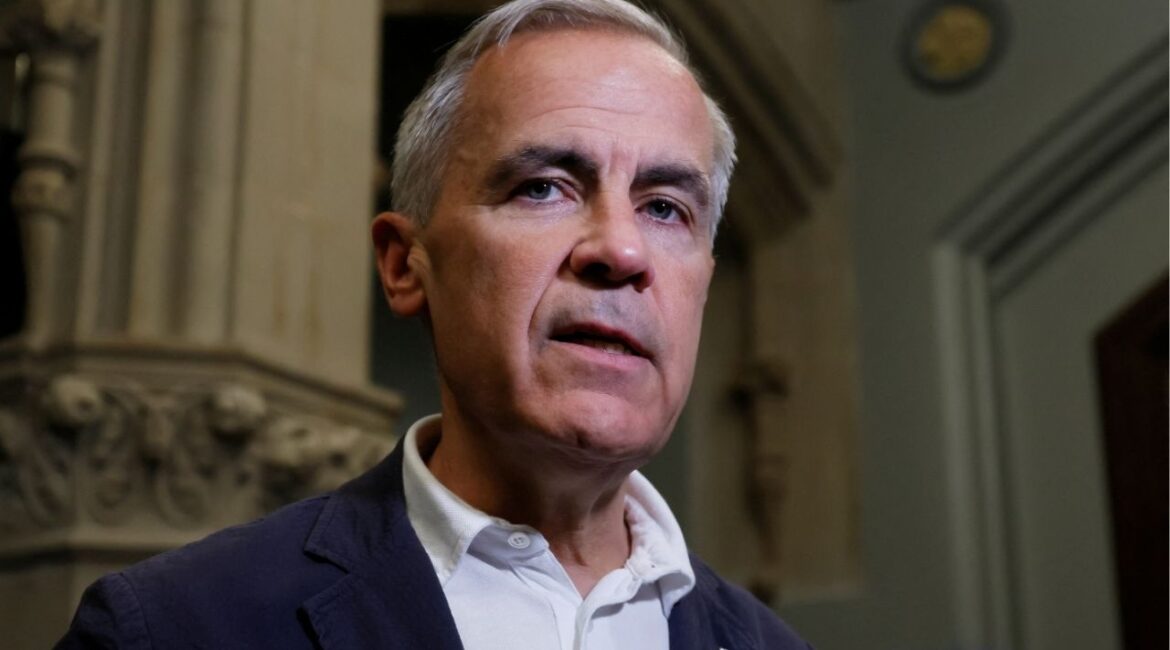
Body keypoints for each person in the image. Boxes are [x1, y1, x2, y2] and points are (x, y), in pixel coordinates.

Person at [57, 0, 810, 648]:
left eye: (666, 208)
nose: (621, 250)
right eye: (543, 188)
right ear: (404, 265)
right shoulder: (171, 628)